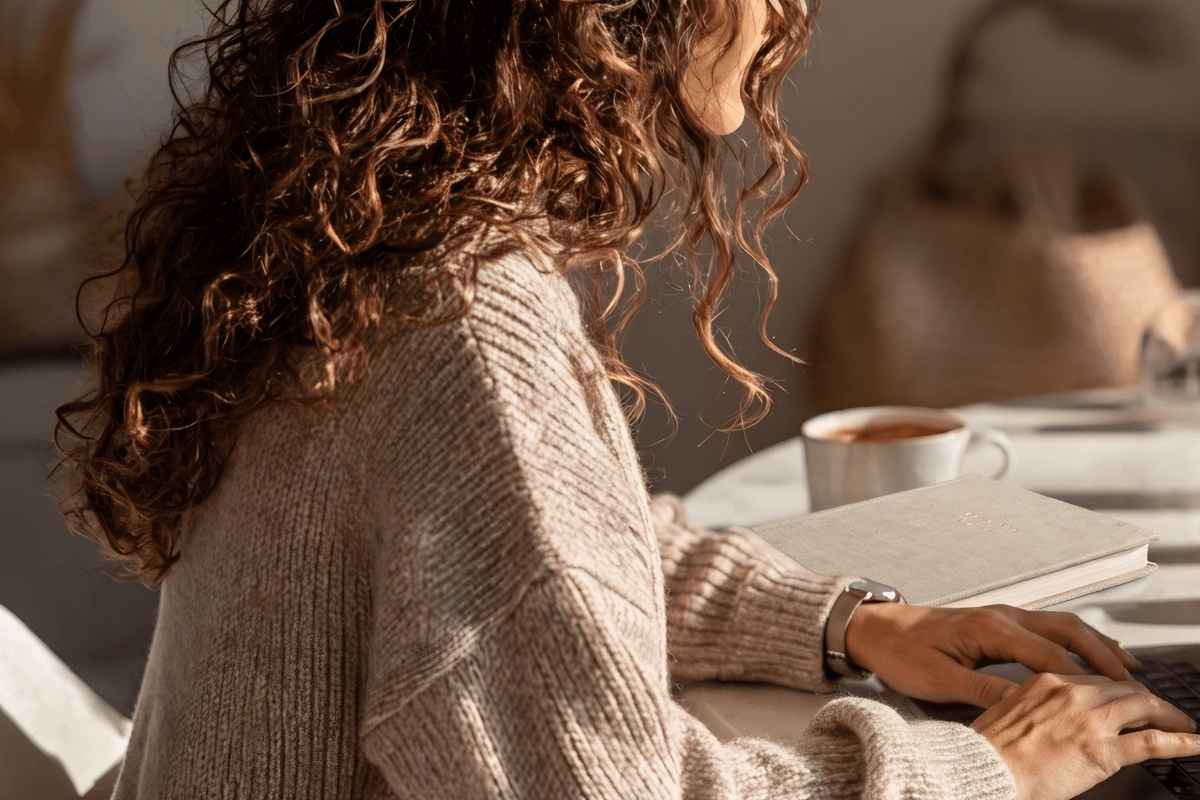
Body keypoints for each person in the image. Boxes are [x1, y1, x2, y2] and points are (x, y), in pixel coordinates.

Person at [55, 1, 1200, 798]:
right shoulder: (458, 329)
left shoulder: (373, 243)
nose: (782, 14)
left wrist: (845, 619)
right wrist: (986, 767)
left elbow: (538, 558)